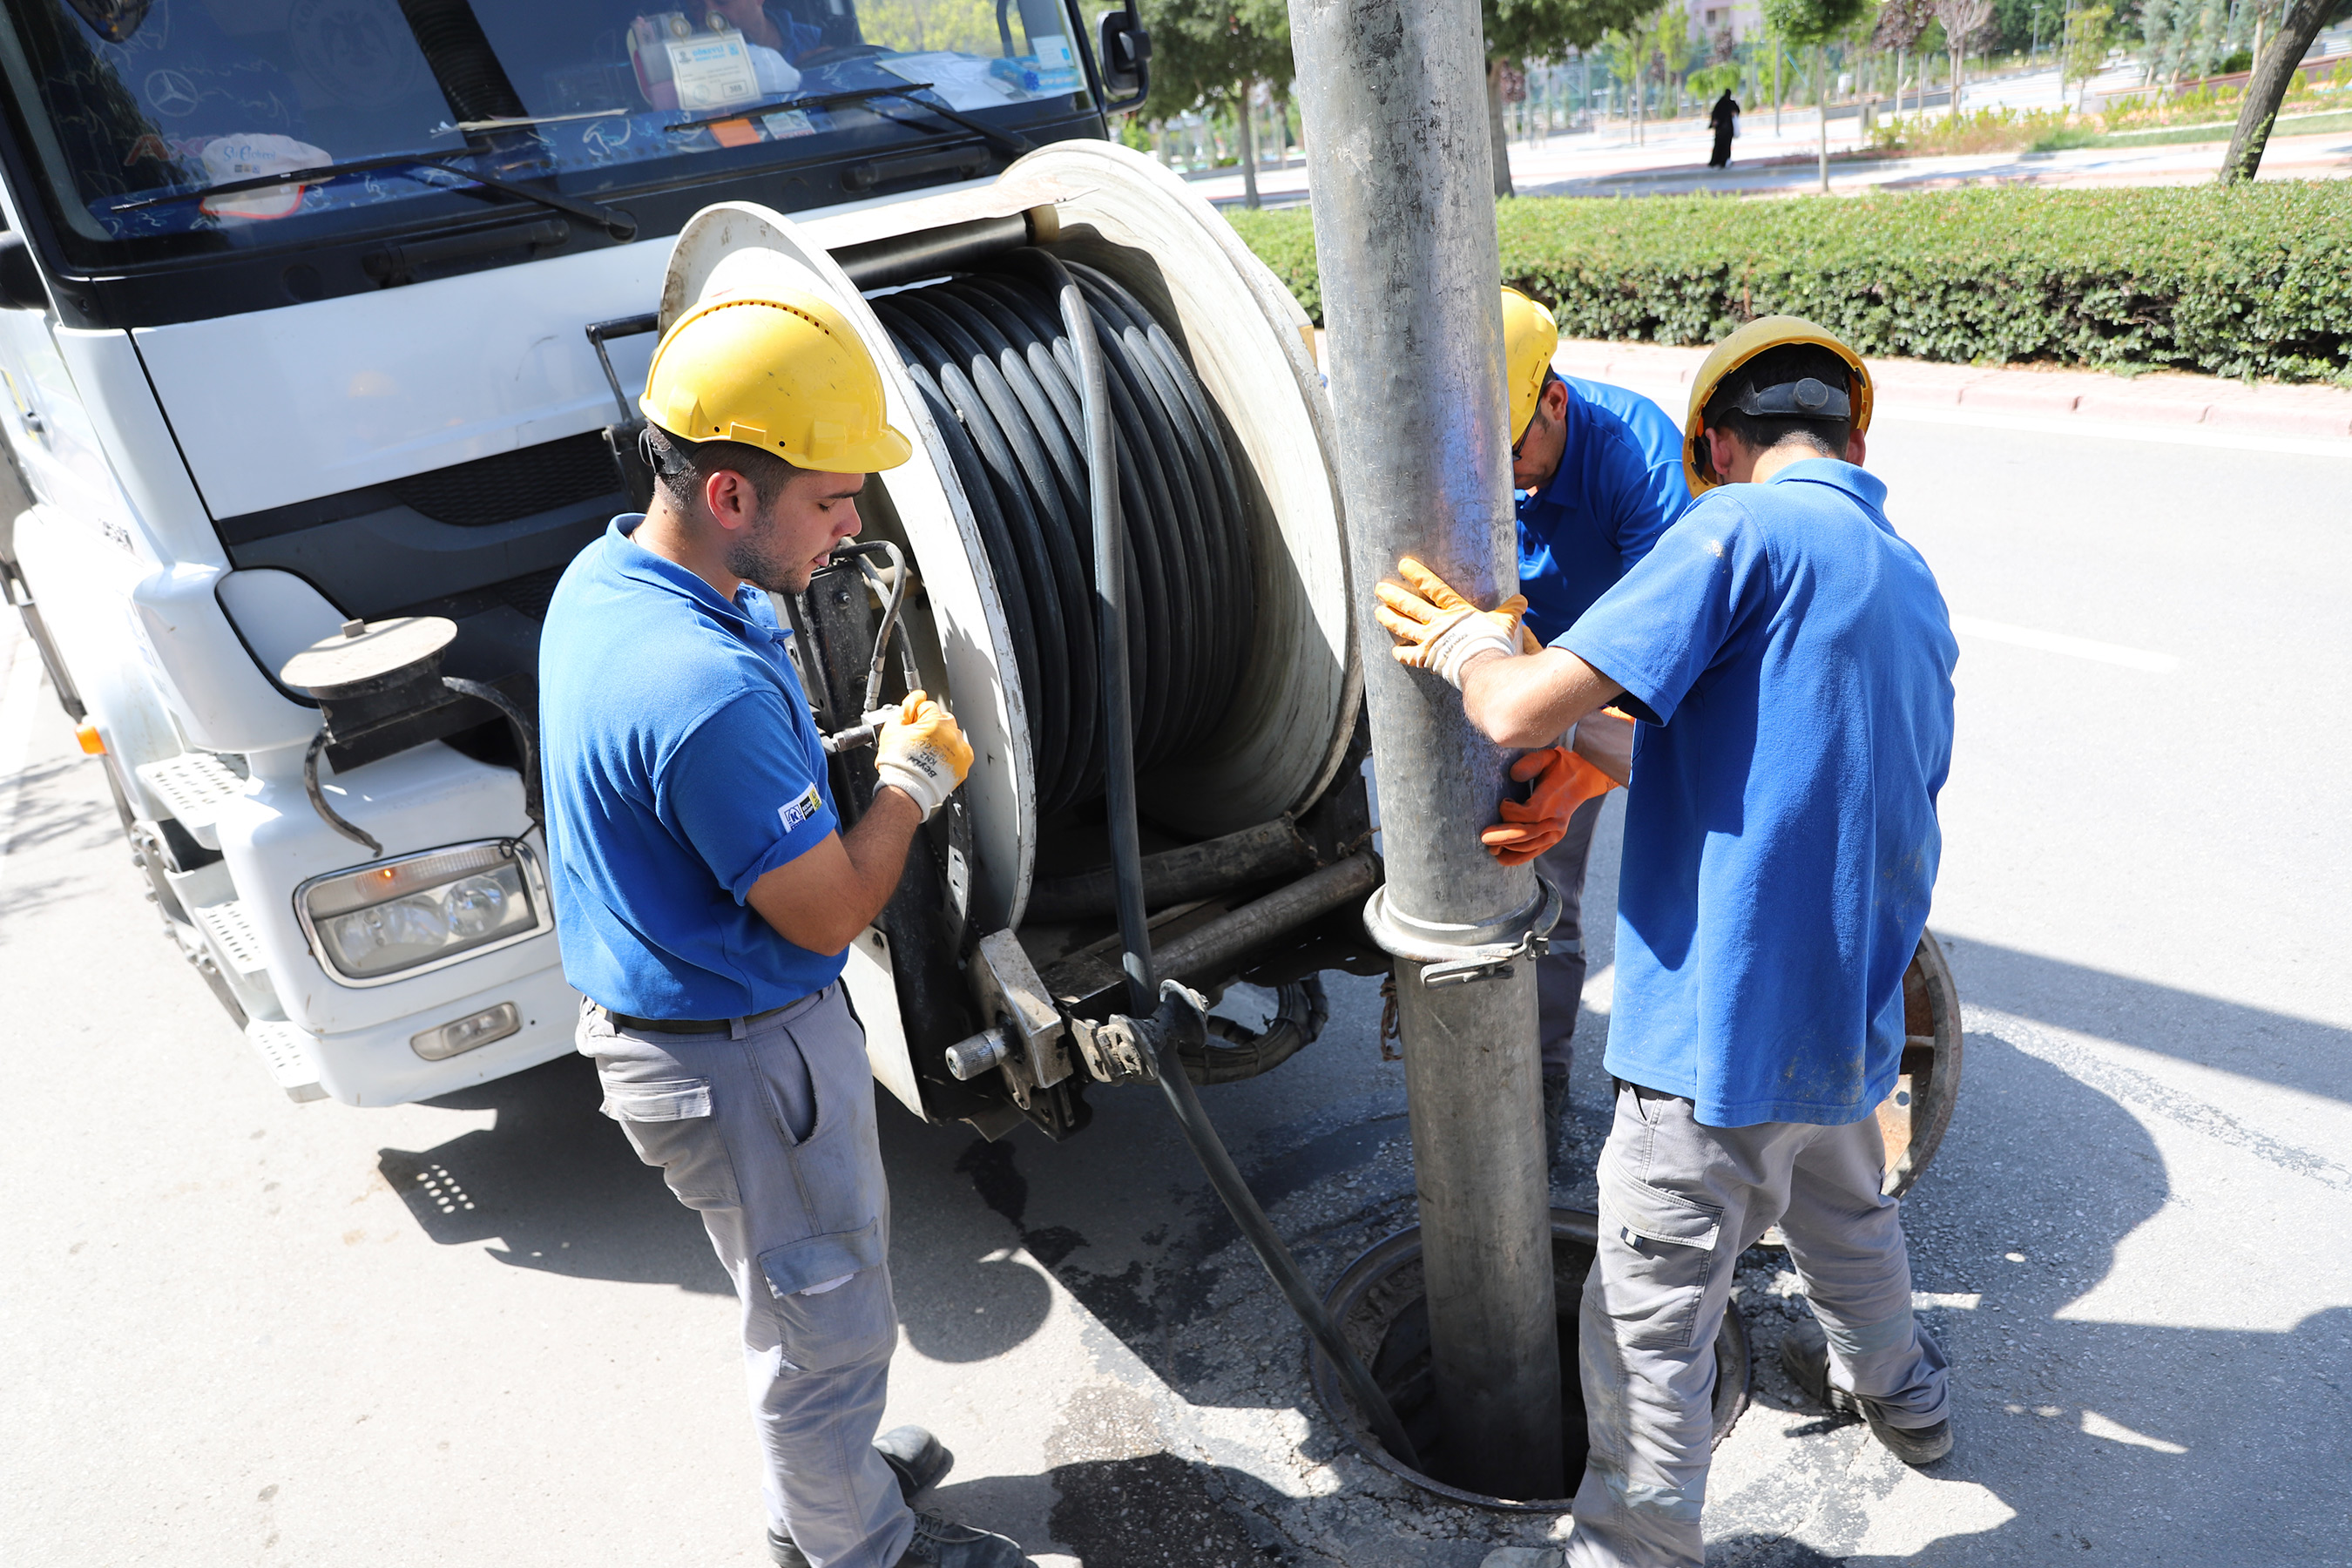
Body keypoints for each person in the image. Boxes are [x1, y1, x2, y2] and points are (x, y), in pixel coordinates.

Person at [1383, 318, 1958, 1568]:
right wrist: (1578, 749)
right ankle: (1904, 1393)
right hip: (1844, 1026)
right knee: (1847, 1221)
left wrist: (1467, 644)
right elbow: (1739, 759)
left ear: (1712, 446)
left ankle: (1629, 1553)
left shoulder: (1734, 528)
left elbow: (1510, 709)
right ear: (1856, 436)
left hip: (1717, 1042)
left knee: (1647, 1337)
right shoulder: (1904, 575)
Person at [537, 285, 1024, 1568]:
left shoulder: (607, 579)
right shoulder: (694, 688)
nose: (854, 524)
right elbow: (831, 910)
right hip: (739, 1055)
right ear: (731, 497)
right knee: (825, 1326)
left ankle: (830, 1478)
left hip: (683, 1027)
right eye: (830, 500)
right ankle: (852, 1541)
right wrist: (914, 786)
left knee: (800, 1300)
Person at [1496, 286, 1693, 1168]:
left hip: (1620, 692)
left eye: (1515, 451)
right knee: (1488, 874)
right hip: (1511, 674)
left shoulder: (1638, 459)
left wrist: (1580, 753)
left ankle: (1542, 1098)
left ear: (1556, 399)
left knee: (1557, 900)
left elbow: (1668, 657)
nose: (1506, 477)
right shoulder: (1483, 452)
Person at [1707, 87, 1740, 168]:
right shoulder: (1731, 103)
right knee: (1726, 146)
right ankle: (1724, 161)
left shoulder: (1720, 103)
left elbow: (1714, 114)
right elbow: (1737, 112)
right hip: (1728, 129)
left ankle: (1716, 161)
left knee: (1718, 145)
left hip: (1720, 129)